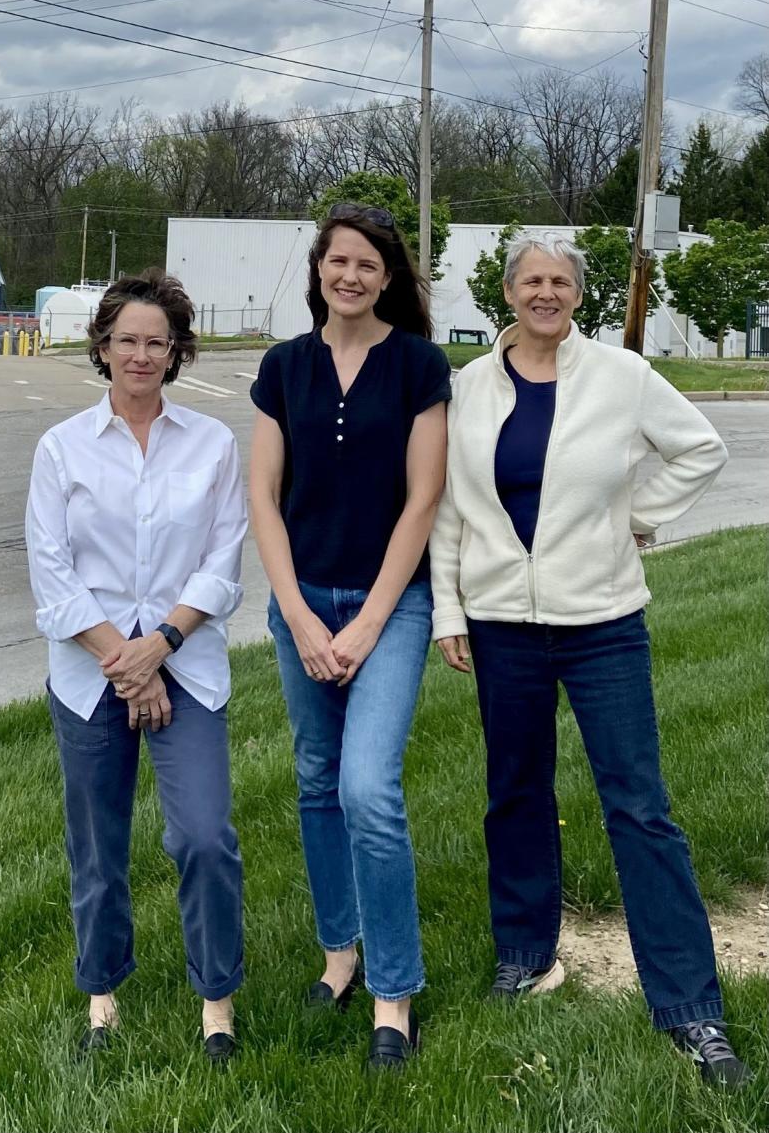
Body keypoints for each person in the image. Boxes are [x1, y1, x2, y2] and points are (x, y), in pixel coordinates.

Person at [429, 231, 747, 1088]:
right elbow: (452, 508)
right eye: (531, 280)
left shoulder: (622, 376)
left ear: (578, 294)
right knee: (517, 791)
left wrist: (636, 519)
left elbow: (700, 450)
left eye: (560, 281)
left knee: (638, 804)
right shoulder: (469, 388)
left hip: (602, 620)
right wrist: (449, 611)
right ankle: (526, 955)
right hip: (502, 623)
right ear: (507, 293)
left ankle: (690, 1007)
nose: (545, 293)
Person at [26, 270, 248, 1063]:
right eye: (128, 340)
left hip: (186, 668)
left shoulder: (214, 444)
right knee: (98, 844)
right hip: (91, 676)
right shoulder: (61, 450)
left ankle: (216, 1001)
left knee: (203, 837)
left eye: (158, 342)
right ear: (103, 347)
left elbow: (222, 566)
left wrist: (161, 646)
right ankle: (102, 995)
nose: (142, 355)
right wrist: (124, 660)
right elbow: (51, 576)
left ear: (178, 351)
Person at [248, 203, 450, 1070]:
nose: (352, 276)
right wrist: (295, 612)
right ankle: (341, 954)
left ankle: (394, 993)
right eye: (340, 261)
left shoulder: (418, 365)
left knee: (369, 787)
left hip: (390, 606)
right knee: (316, 780)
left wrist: (367, 622)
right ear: (320, 270)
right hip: (300, 603)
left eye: (369, 264)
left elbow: (423, 499)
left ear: (391, 277)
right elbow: (263, 497)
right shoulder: (282, 367)